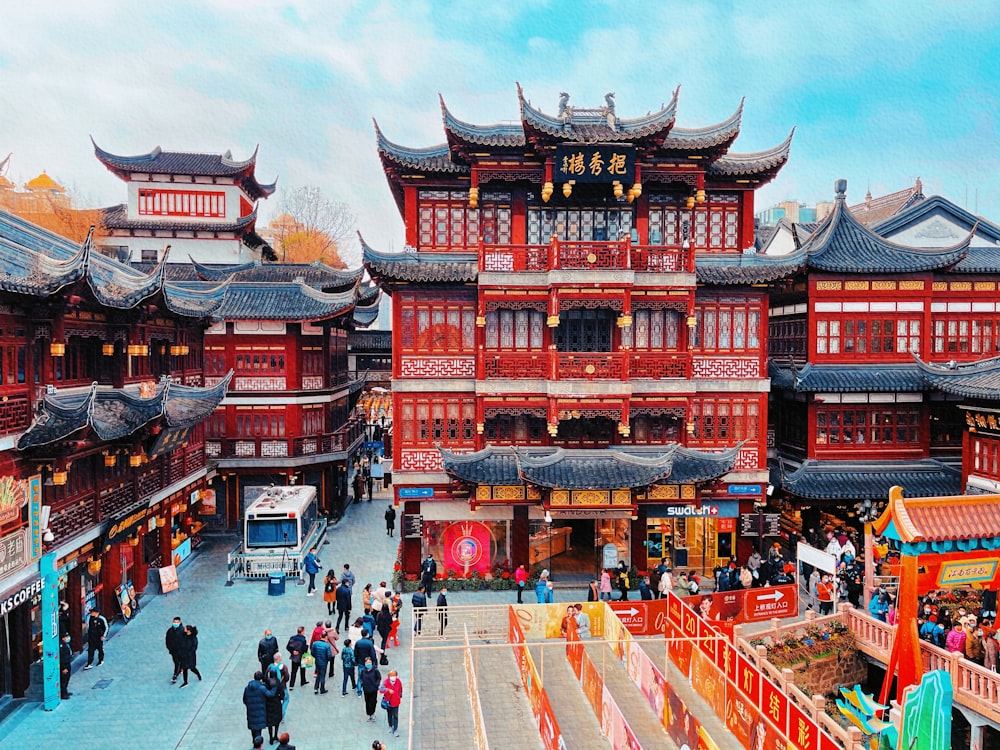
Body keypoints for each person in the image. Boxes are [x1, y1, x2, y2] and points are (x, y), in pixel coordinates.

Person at [243, 671, 276, 743]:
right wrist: (274, 687)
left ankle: (254, 742)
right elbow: (270, 694)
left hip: (251, 712)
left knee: (253, 731)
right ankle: (257, 745)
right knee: (258, 732)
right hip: (260, 713)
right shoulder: (262, 688)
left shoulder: (247, 688)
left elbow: (244, 700)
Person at [265, 654, 289, 744]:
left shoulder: (269, 667)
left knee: (270, 722)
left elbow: (265, 677)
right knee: (286, 700)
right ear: (279, 659)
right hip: (279, 693)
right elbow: (287, 677)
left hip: (270, 703)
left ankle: (271, 737)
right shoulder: (283, 667)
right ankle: (282, 715)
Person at [379, 668, 403, 737]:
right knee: (389, 714)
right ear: (389, 676)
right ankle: (390, 726)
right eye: (391, 675)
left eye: (394, 675)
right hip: (388, 702)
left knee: (395, 716)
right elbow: (381, 689)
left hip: (396, 702)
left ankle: (395, 729)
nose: (393, 677)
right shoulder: (386, 682)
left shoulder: (398, 681)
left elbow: (400, 689)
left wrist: (399, 696)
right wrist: (388, 690)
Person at [360, 657, 383, 722]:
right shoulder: (363, 671)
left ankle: (372, 713)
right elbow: (361, 678)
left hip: (373, 690)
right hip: (366, 690)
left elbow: (379, 678)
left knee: (373, 702)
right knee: (367, 702)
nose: (368, 664)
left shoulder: (375, 670)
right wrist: (363, 684)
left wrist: (376, 685)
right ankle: (369, 714)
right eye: (367, 663)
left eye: (369, 662)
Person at [166, 616, 184, 683]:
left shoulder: (183, 631)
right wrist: (169, 648)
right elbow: (167, 640)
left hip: (180, 651)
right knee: (176, 661)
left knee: (177, 662)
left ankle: (175, 675)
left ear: (180, 622)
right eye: (174, 622)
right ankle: (181, 668)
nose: (175, 623)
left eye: (177, 622)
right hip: (173, 651)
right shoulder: (170, 631)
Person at [59, 632, 73, 699]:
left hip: (67, 663)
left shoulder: (65, 644)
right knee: (63, 680)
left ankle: (65, 691)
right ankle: (63, 694)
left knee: (67, 678)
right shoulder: (61, 646)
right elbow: (62, 657)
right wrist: (63, 668)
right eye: (66, 637)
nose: (67, 638)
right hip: (65, 665)